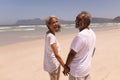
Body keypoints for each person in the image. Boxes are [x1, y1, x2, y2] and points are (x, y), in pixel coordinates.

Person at [63, 11, 96, 80]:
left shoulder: (80, 36)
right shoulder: (92, 33)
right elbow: (93, 48)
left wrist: (66, 67)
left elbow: (72, 54)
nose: (75, 21)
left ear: (85, 22)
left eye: (78, 19)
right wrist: (87, 60)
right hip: (86, 70)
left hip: (77, 73)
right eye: (76, 19)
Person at [44, 16, 65, 80]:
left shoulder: (48, 34)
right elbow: (56, 54)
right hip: (54, 65)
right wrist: (65, 66)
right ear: (48, 25)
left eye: (56, 21)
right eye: (53, 23)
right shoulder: (51, 37)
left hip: (50, 64)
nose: (56, 24)